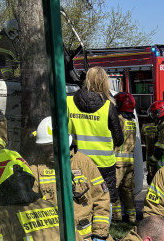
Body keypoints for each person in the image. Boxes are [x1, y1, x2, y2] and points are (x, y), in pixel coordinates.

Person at [29, 116, 111, 241]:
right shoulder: (37, 169)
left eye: (49, 146)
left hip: (86, 239)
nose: (46, 150)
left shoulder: (84, 164)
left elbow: (101, 198)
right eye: (44, 147)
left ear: (61, 141)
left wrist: (100, 234)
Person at [66, 67, 123, 216]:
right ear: (105, 83)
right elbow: (119, 139)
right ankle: (102, 235)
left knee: (79, 198)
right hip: (104, 164)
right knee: (104, 202)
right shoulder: (108, 106)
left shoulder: (68, 102)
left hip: (77, 162)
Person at [113, 92, 138, 224]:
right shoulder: (132, 121)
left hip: (118, 162)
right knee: (127, 190)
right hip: (130, 162)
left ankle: (117, 217)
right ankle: (132, 217)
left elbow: (115, 138)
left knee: (114, 189)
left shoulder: (119, 120)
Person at [148, 99, 164, 171]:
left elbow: (160, 149)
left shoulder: (163, 127)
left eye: (153, 113)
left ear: (159, 112)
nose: (153, 116)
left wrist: (152, 161)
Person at [141, 108, 159, 183]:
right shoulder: (159, 125)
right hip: (158, 156)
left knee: (151, 178)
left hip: (149, 156)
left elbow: (142, 139)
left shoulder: (145, 126)